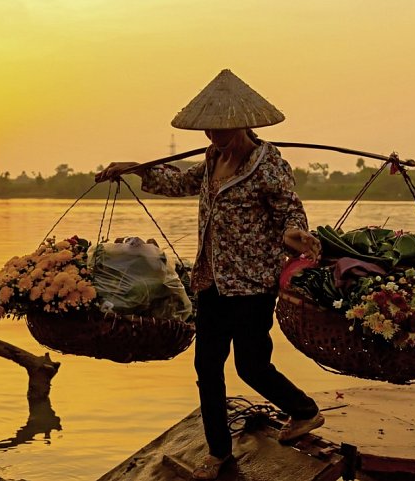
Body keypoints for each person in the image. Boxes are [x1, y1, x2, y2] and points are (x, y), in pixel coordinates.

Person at [96, 69, 324, 480]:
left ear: (241, 123)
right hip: (211, 281)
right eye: (207, 130)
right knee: (207, 369)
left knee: (252, 367)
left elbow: (290, 207)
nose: (212, 136)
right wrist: (136, 168)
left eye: (220, 129)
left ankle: (304, 411)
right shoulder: (213, 159)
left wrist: (294, 232)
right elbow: (180, 183)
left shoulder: (267, 163)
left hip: (251, 284)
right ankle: (218, 452)